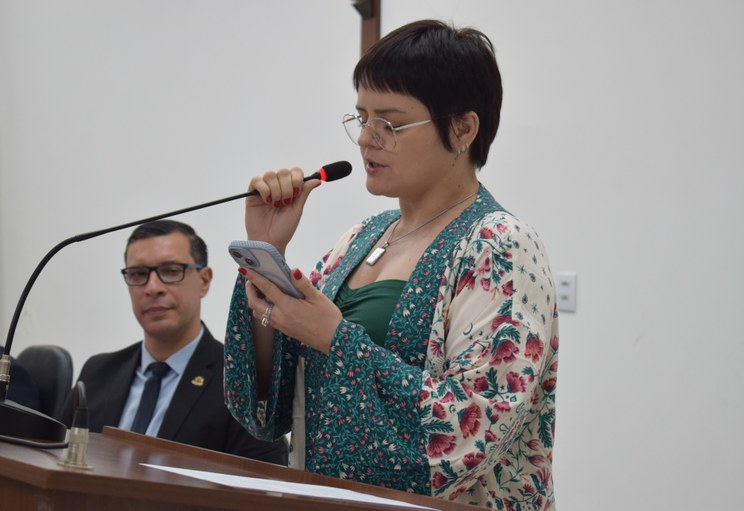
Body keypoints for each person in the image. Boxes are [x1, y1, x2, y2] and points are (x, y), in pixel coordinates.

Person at [224, 19, 558, 510]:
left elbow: (474, 429)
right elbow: (267, 412)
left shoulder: (499, 245)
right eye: (362, 118)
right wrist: (266, 254)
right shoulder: (360, 238)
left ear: (463, 128)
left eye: (390, 124)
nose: (365, 139)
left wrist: (335, 338)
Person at [59, 220, 288, 464]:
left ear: (204, 281)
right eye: (138, 274)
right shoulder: (97, 373)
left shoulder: (239, 384)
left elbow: (265, 481)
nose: (152, 288)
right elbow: (52, 457)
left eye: (170, 271)